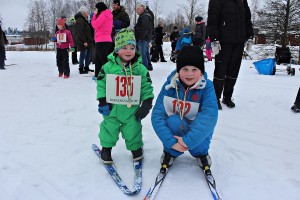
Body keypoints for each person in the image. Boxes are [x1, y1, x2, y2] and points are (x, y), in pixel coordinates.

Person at [151, 45, 218, 173]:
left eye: (194, 69)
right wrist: (171, 142)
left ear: (201, 71)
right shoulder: (169, 86)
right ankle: (170, 152)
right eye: (185, 69)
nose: (189, 74)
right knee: (173, 121)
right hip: (177, 128)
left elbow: (209, 117)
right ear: (178, 70)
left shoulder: (207, 87)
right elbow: (158, 115)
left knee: (202, 125)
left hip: (197, 130)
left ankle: (201, 153)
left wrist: (187, 141)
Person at [96, 28, 154, 164]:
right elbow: (101, 84)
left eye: (132, 48)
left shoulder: (140, 69)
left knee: (133, 129)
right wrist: (102, 100)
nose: (129, 51)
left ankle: (136, 149)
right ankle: (106, 148)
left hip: (131, 109)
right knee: (109, 128)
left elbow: (146, 86)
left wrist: (147, 102)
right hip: (112, 108)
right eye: (125, 47)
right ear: (117, 50)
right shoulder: (107, 67)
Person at [207, 0, 253, 110]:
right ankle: (215, 98)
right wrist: (214, 39)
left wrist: (250, 36)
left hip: (239, 41)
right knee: (221, 71)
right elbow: (212, 20)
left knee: (233, 71)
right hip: (223, 41)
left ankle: (227, 96)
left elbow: (247, 18)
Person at [91, 2, 113, 79]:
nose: (96, 10)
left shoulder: (103, 15)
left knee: (103, 60)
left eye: (96, 8)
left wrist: (94, 16)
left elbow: (95, 25)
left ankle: (108, 76)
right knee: (98, 59)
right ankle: (97, 74)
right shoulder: (108, 14)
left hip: (101, 40)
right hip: (105, 39)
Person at [75, 6, 94, 74]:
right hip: (83, 41)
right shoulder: (80, 20)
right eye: (87, 12)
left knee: (88, 54)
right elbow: (80, 31)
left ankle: (86, 67)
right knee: (83, 54)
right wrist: (84, 41)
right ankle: (81, 67)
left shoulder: (84, 20)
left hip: (87, 40)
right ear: (84, 13)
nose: (88, 14)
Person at [134, 4, 153, 71]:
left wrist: (141, 38)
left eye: (138, 9)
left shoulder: (145, 16)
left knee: (142, 54)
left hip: (143, 38)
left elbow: (145, 28)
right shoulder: (144, 16)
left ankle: (143, 69)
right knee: (146, 52)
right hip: (144, 37)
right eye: (136, 10)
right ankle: (149, 66)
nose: (137, 11)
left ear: (143, 9)